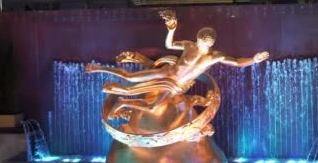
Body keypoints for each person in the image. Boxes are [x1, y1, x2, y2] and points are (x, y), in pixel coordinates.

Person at [85, 10, 268, 118]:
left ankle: (125, 102)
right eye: (201, 40)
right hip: (167, 72)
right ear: (197, 39)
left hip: (176, 85)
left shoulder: (215, 56)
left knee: (151, 107)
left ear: (212, 42)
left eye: (207, 41)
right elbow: (169, 45)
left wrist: (254, 59)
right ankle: (97, 68)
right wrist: (171, 29)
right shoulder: (189, 45)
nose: (203, 43)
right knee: (129, 77)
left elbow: (236, 62)